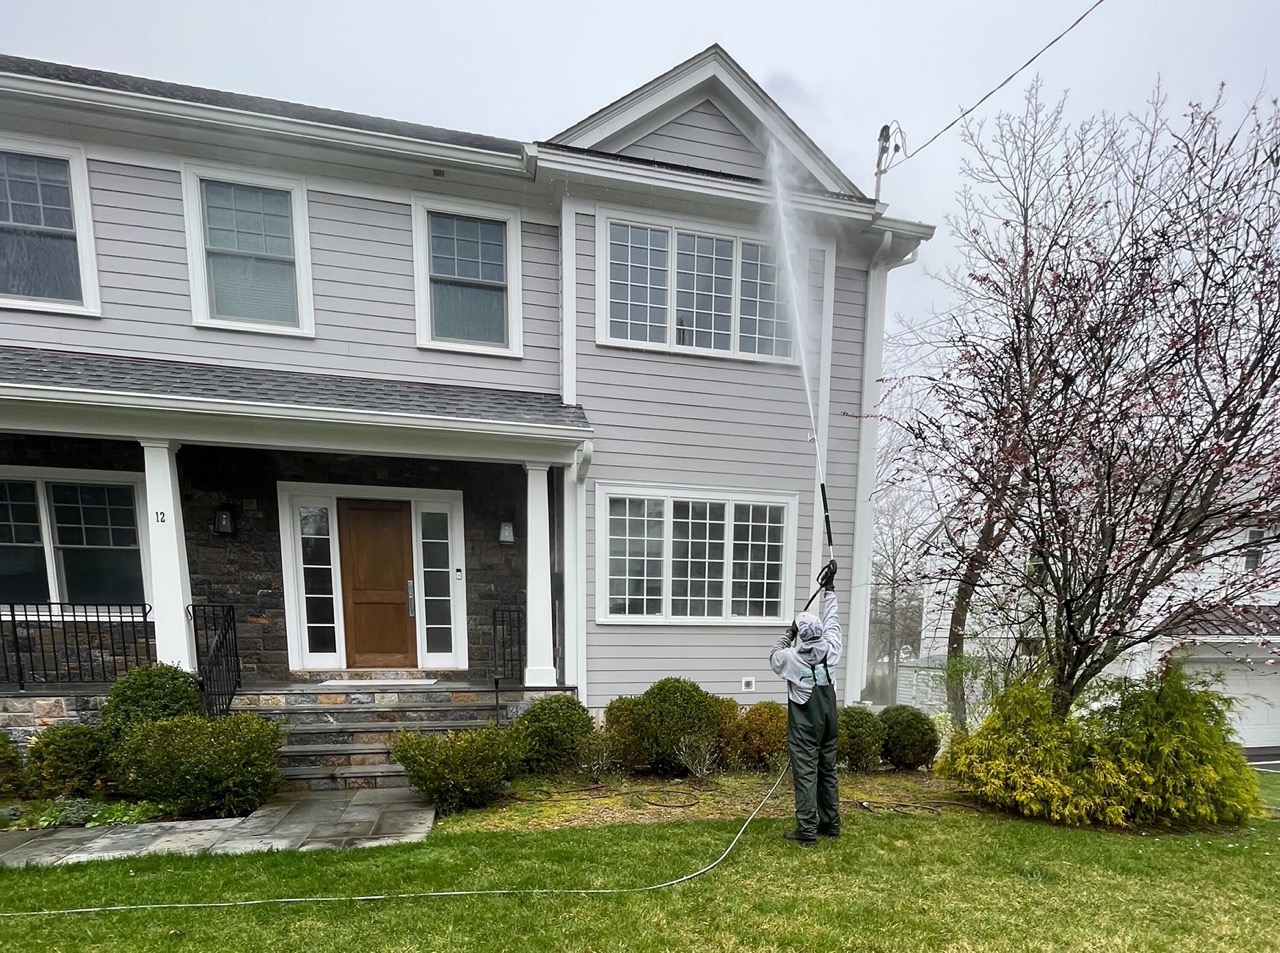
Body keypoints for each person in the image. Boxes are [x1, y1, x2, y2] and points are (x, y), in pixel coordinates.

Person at [769, 559, 842, 846]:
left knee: (806, 774)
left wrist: (787, 635)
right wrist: (830, 589)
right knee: (828, 771)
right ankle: (831, 824)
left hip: (804, 727)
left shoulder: (790, 658)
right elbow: (833, 619)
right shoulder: (832, 650)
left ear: (800, 635)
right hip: (828, 722)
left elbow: (774, 656)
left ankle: (807, 831)